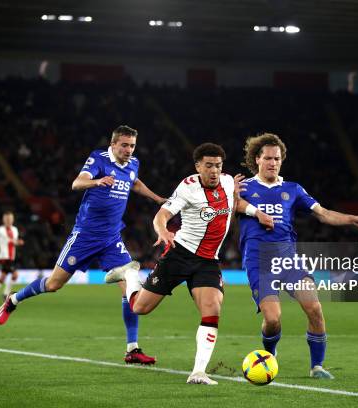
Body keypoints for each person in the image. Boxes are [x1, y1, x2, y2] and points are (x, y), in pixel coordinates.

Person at [106, 142, 274, 385]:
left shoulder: (228, 182)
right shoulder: (187, 188)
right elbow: (162, 214)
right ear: (198, 166)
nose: (214, 170)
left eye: (218, 165)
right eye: (209, 166)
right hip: (179, 254)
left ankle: (198, 372)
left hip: (207, 261)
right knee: (140, 308)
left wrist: (256, 212)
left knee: (212, 309)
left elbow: (234, 203)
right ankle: (130, 274)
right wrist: (163, 231)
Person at [0, 125, 164, 365]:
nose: (129, 150)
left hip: (111, 238)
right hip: (85, 235)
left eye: (132, 146)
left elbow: (134, 183)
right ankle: (13, 300)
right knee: (54, 284)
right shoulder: (99, 158)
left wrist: (157, 198)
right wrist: (97, 182)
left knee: (131, 286)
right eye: (124, 145)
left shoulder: (133, 164)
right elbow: (77, 183)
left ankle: (132, 348)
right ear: (114, 144)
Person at [237, 133, 358, 379]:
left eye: (277, 158)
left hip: (289, 260)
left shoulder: (293, 189)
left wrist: (352, 219)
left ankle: (317, 366)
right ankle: (270, 356)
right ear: (257, 159)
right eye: (267, 158)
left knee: (314, 307)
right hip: (259, 262)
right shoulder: (243, 188)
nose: (272, 163)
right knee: (273, 319)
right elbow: (228, 204)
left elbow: (323, 213)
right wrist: (239, 199)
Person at [0, 211, 24, 304]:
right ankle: (6, 295)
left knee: (3, 276)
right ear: (3, 220)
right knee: (15, 275)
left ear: (13, 219)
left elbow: (14, 242)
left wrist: (19, 242)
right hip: (3, 257)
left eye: (10, 219)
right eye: (7, 219)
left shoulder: (15, 229)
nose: (8, 221)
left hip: (11, 257)